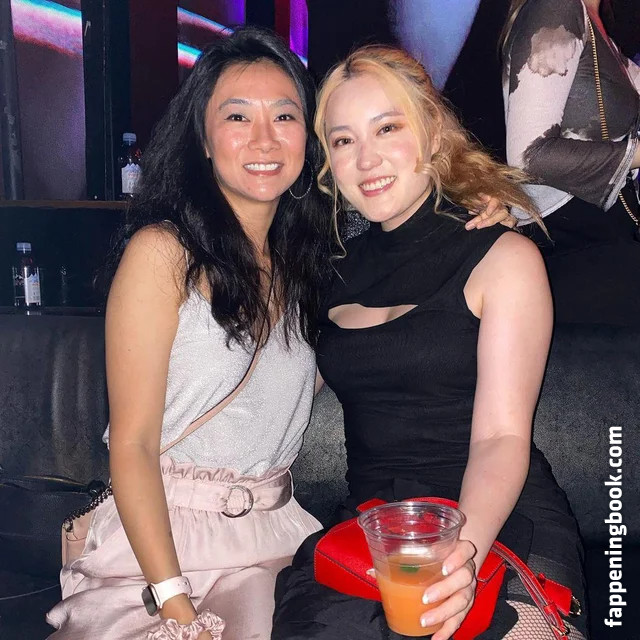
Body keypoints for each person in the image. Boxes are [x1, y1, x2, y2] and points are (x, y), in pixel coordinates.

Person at [271, 46, 588, 640]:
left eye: (388, 128)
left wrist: (459, 558)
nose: (366, 158)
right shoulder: (328, 272)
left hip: (495, 523)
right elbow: (274, 398)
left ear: (433, 134)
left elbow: (500, 437)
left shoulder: (502, 256)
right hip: (372, 530)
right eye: (343, 140)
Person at [45, 27, 332, 640]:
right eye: (237, 116)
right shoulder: (163, 253)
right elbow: (132, 444)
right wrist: (177, 609)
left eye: (285, 116)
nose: (264, 138)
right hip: (158, 547)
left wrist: (487, 209)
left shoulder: (310, 267)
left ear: (308, 138)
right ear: (203, 137)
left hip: (276, 541)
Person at [502, 0, 640, 326]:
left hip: (597, 233)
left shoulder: (595, 21)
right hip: (571, 240)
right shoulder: (557, 6)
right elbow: (528, 156)